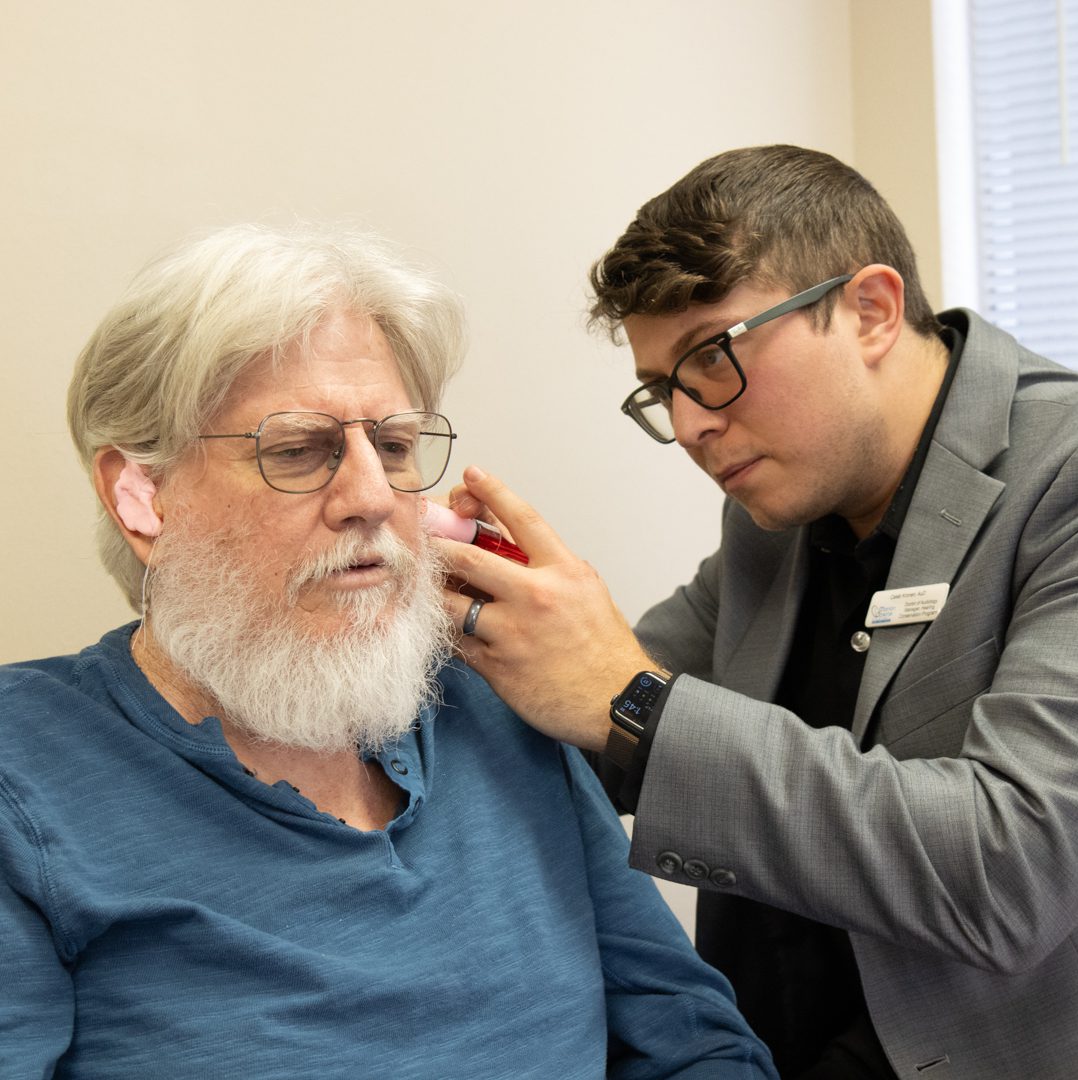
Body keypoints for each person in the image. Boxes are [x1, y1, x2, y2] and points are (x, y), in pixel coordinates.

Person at [0, 223, 778, 1080]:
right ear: (140, 497)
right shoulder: (23, 774)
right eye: (298, 450)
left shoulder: (492, 709)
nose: (373, 496)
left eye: (397, 446)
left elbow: (695, 1046)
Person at [435, 145, 1078, 1080]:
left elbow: (1012, 871)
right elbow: (582, 709)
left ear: (871, 311)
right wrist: (456, 626)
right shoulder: (777, 512)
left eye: (712, 359)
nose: (692, 423)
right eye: (664, 391)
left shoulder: (1061, 483)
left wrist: (631, 699)